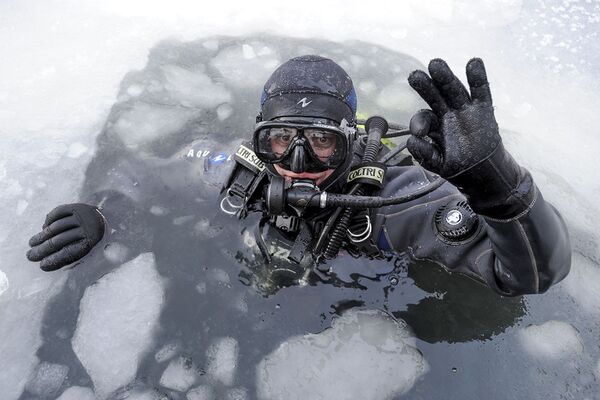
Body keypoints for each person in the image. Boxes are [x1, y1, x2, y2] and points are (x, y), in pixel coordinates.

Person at [26, 55, 571, 296]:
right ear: (258, 135)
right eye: (282, 139)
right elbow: (145, 177)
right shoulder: (235, 171)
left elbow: (529, 278)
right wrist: (103, 209)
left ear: (354, 138)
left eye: (323, 141)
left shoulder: (395, 201)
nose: (299, 160)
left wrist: (501, 192)